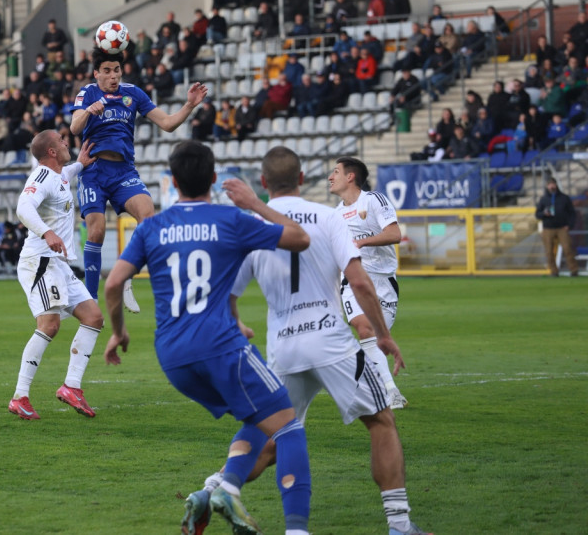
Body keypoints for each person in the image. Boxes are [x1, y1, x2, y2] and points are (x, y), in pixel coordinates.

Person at [205, 146, 427, 535]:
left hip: (284, 347)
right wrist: (384, 335)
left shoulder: (253, 225)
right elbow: (359, 282)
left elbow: (226, 294)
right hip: (330, 341)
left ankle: (210, 491)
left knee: (274, 438)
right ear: (303, 179)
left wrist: (236, 324)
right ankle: (400, 525)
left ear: (263, 182)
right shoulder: (328, 216)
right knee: (381, 421)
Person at [103, 140, 313, 535]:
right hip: (220, 347)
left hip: (173, 358)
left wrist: (118, 332)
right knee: (288, 426)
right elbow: (299, 239)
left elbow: (114, 284)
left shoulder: (151, 227)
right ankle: (298, 530)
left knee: (257, 413)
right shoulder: (230, 219)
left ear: (173, 181)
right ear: (214, 179)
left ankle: (218, 490)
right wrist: (255, 203)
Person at [70, 48, 208, 312]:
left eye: (117, 70)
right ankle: (91, 300)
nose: (113, 76)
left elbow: (167, 124)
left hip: (123, 172)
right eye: (107, 71)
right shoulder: (87, 92)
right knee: (96, 230)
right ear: (96, 73)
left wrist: (189, 105)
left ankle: (125, 277)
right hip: (94, 171)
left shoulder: (132, 93)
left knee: (148, 215)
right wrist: (89, 110)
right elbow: (75, 127)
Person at [8, 132, 99, 420]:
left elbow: (65, 175)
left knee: (93, 317)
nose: (66, 142)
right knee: (49, 325)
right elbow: (23, 207)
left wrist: (81, 164)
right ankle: (20, 396)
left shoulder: (59, 174)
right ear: (50, 151)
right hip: (40, 260)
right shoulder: (41, 176)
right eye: (61, 141)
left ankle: (72, 387)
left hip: (58, 263)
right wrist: (47, 233)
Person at [328, 157, 409, 409]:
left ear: (350, 177)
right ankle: (390, 391)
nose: (330, 177)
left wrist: (361, 242)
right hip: (352, 280)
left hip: (383, 281)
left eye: (335, 172)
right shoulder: (335, 215)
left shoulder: (374, 200)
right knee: (364, 329)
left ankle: (364, 378)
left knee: (375, 336)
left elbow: (395, 234)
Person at [535, 177, 579, 277]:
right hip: (548, 228)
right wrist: (544, 214)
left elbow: (572, 213)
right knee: (549, 251)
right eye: (549, 184)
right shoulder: (543, 199)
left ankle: (574, 270)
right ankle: (554, 271)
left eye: (553, 184)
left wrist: (569, 225)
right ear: (547, 186)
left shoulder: (564, 198)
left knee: (568, 249)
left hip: (562, 228)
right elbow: (537, 214)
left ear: (556, 185)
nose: (551, 186)